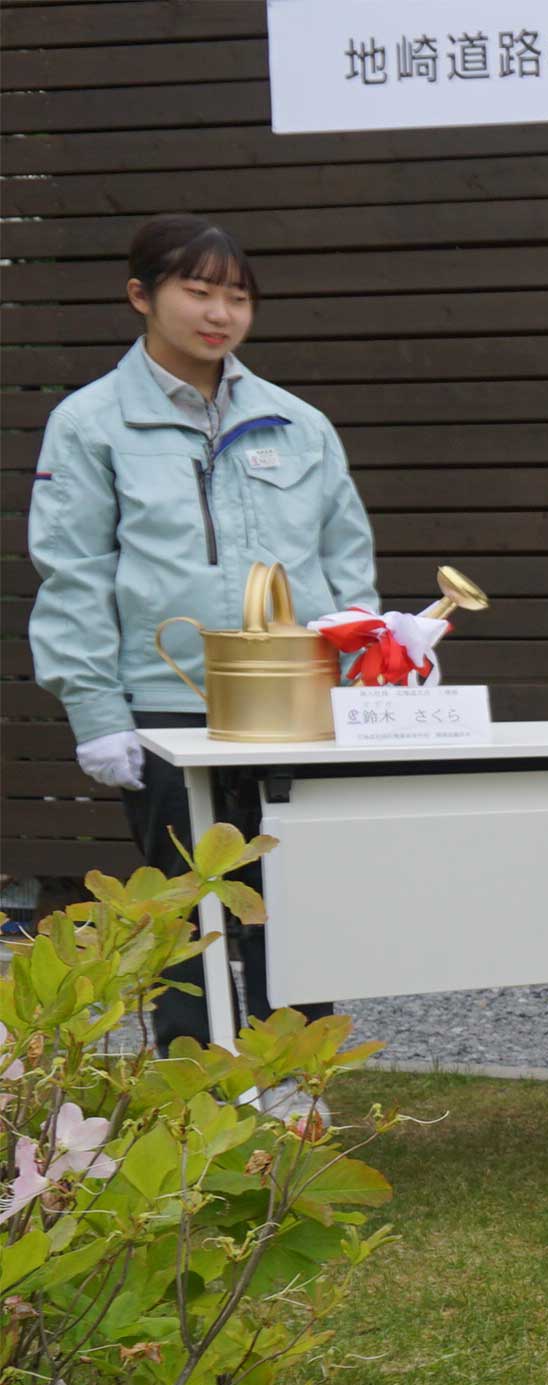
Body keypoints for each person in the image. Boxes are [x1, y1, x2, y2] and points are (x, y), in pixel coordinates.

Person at [25, 215, 374, 1049]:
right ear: (141, 296)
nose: (220, 313)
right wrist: (97, 711)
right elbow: (74, 575)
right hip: (167, 710)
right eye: (199, 290)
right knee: (187, 916)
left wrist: (361, 676)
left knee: (295, 906)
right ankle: (195, 1094)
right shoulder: (91, 424)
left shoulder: (298, 423)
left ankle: (297, 1084)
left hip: (296, 706)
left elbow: (346, 562)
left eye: (238, 296)